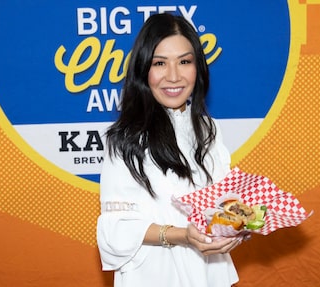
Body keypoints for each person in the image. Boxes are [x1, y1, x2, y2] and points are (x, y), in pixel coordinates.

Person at [97, 13, 243, 287]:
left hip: (209, 273)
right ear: (143, 70)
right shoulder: (126, 139)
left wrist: (234, 227)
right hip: (154, 275)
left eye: (184, 62)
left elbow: (222, 203)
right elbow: (116, 229)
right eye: (160, 63)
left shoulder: (209, 129)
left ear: (197, 67)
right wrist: (182, 235)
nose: (173, 76)